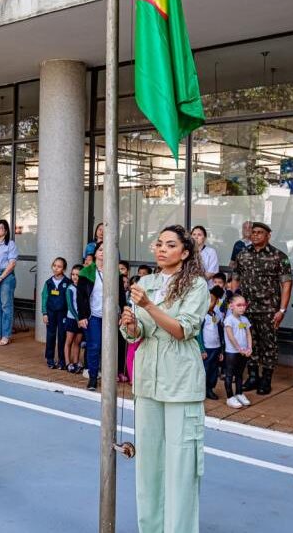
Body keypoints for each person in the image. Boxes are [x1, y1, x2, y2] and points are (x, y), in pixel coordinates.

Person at [119, 224, 206, 533]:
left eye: (170, 245)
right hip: (147, 377)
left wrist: (147, 306)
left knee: (181, 465)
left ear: (184, 253)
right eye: (158, 244)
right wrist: (129, 325)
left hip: (180, 379)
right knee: (149, 464)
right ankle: (151, 528)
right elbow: (137, 333)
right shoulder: (146, 281)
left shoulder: (196, 286)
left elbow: (183, 329)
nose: (161, 249)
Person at [234, 222, 292, 395]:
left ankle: (266, 379)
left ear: (268, 235)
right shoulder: (242, 254)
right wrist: (234, 304)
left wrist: (281, 310)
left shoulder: (278, 256)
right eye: (253, 232)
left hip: (268, 309)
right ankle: (252, 376)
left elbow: (287, 284)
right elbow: (235, 279)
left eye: (260, 232)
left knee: (269, 345)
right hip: (246, 310)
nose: (256, 235)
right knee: (248, 342)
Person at [76, 243, 127, 391]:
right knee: (95, 346)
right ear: (95, 253)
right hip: (93, 316)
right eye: (101, 249)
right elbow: (80, 297)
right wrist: (82, 316)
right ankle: (92, 377)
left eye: (107, 250)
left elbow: (121, 295)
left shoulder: (115, 272)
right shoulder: (86, 272)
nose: (104, 252)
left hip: (111, 316)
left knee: (110, 347)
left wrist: (123, 312)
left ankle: (109, 377)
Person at [222, 294, 253, 408]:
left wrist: (249, 348)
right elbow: (231, 337)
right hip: (232, 352)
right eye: (239, 305)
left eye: (244, 305)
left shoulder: (244, 319)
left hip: (244, 352)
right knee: (229, 374)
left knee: (240, 373)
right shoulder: (229, 320)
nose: (242, 307)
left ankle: (239, 393)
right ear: (231, 306)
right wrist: (239, 349)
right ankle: (230, 397)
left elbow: (248, 334)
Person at [41, 257, 72, 369]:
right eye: (54, 265)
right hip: (50, 313)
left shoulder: (68, 282)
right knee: (51, 335)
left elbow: (70, 299)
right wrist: (44, 313)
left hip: (63, 313)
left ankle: (62, 360)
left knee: (62, 336)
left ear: (64, 268)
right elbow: (44, 297)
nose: (56, 268)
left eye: (59, 266)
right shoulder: (48, 283)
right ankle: (50, 358)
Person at [199, 285, 225, 400]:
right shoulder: (202, 316)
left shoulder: (216, 315)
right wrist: (201, 349)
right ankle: (201, 390)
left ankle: (210, 388)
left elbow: (220, 333)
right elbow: (198, 334)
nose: (209, 303)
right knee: (205, 369)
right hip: (206, 349)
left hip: (216, 347)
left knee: (214, 369)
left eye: (212, 301)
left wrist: (221, 350)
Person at [64, 264, 85, 374]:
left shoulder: (84, 288)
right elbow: (70, 306)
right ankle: (68, 363)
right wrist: (77, 319)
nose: (75, 277)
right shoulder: (70, 288)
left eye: (77, 274)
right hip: (72, 319)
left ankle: (76, 362)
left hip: (81, 319)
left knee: (77, 342)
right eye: (73, 274)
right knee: (69, 341)